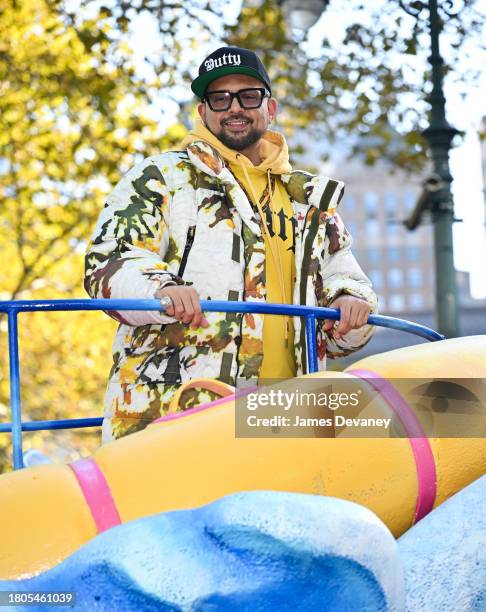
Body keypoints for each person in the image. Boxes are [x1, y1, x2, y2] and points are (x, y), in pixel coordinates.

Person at [85, 46, 377, 442]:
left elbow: (346, 283)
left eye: (248, 96)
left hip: (290, 420)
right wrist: (162, 289)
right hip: (178, 416)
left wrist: (350, 306)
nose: (234, 107)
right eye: (219, 99)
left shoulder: (308, 202)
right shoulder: (161, 177)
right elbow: (109, 260)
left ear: (270, 108)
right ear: (203, 113)